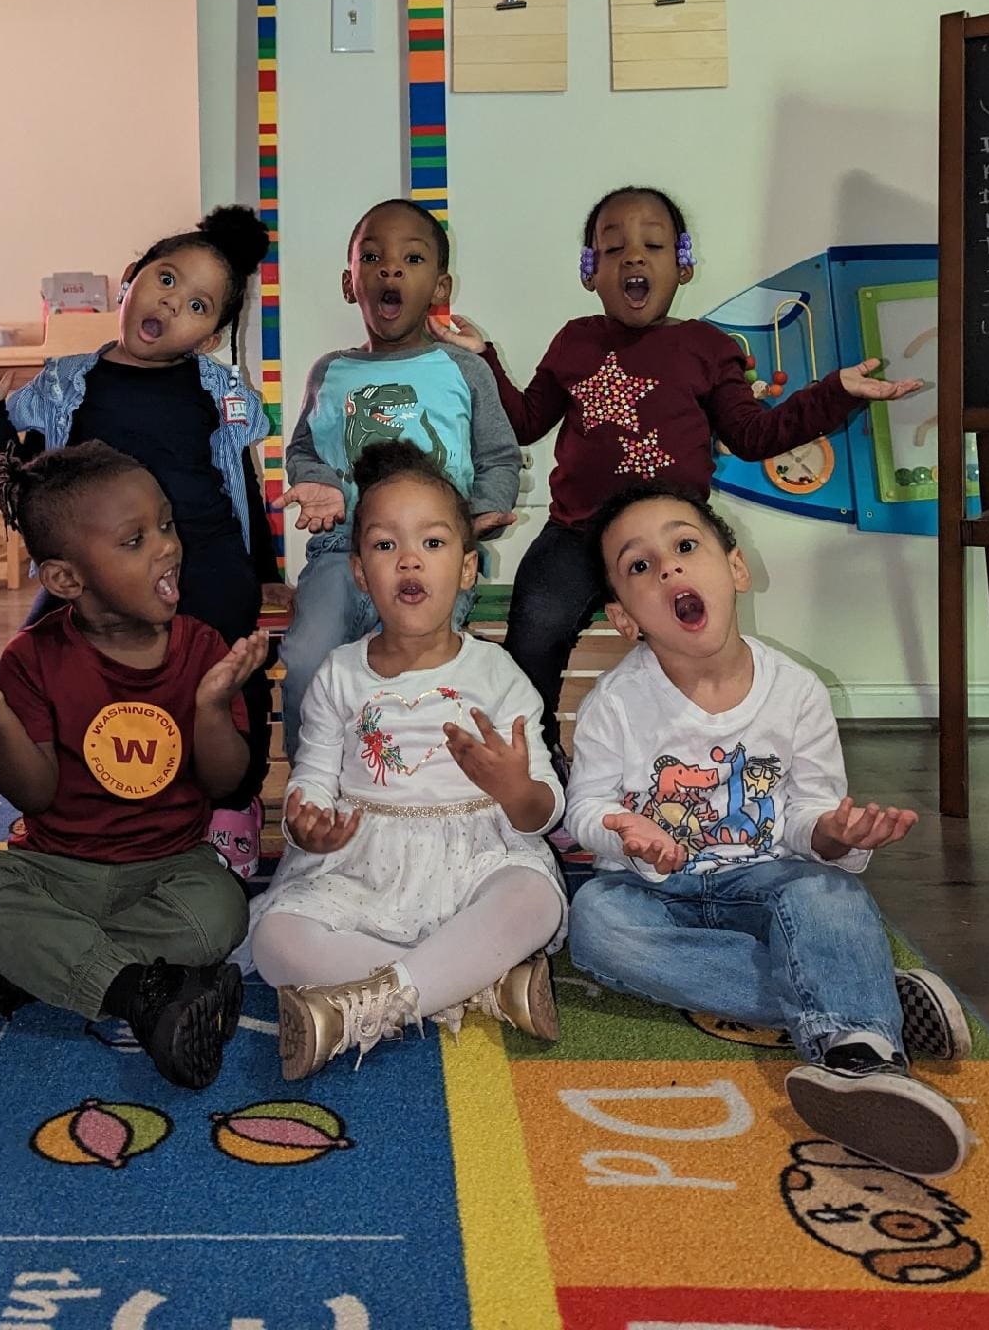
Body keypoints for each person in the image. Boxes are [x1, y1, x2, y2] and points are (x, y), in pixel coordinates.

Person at [566, 482, 973, 1177]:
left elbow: (811, 821)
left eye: (685, 546)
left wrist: (839, 836)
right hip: (657, 893)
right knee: (595, 925)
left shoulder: (797, 691)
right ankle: (864, 1013)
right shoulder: (616, 705)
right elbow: (584, 809)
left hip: (768, 880)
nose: (668, 569)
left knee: (829, 898)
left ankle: (860, 1063)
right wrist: (626, 829)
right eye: (640, 566)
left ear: (735, 569)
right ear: (625, 617)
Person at [436, 185, 922, 759]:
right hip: (576, 533)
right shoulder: (575, 340)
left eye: (654, 245)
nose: (634, 258)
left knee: (695, 647)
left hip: (670, 541)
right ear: (590, 271)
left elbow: (753, 435)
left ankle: (699, 763)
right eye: (613, 249)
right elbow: (523, 421)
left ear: (682, 265)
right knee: (531, 643)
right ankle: (541, 769)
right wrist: (483, 354)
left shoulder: (705, 346)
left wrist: (834, 393)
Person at [0, 442, 266, 1090]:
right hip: (53, 869)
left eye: (166, 525)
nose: (167, 548)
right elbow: (33, 796)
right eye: (134, 540)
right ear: (67, 579)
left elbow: (225, 782)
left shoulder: (202, 646)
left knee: (221, 914)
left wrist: (210, 707)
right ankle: (139, 994)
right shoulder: (30, 659)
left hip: (169, 869)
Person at [0, 204, 286, 866]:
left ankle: (233, 801)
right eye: (167, 279)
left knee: (228, 673)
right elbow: (26, 489)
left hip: (203, 563)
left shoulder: (217, 387)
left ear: (210, 336)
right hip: (97, 571)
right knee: (33, 661)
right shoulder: (67, 381)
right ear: (132, 278)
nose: (174, 303)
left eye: (200, 305)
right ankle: (71, 802)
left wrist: (259, 568)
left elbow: (239, 474)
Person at [249, 439, 566, 1080]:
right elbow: (312, 773)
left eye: (433, 542)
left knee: (536, 899)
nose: (409, 560)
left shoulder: (499, 674)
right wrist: (306, 820)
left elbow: (543, 810)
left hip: (477, 851)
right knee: (274, 940)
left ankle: (371, 1003)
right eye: (386, 545)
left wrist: (513, 789)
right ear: (362, 574)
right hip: (365, 861)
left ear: (469, 569)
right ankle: (475, 986)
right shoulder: (340, 674)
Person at [279, 198, 521, 755]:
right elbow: (304, 448)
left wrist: (479, 512)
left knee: (419, 671)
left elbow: (500, 456)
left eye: (412, 259)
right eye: (373, 257)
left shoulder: (464, 369)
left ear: (440, 287)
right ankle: (312, 787)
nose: (390, 269)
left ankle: (421, 794)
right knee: (309, 659)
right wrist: (319, 484)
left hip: (436, 551)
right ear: (350, 282)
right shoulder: (330, 371)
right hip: (345, 549)